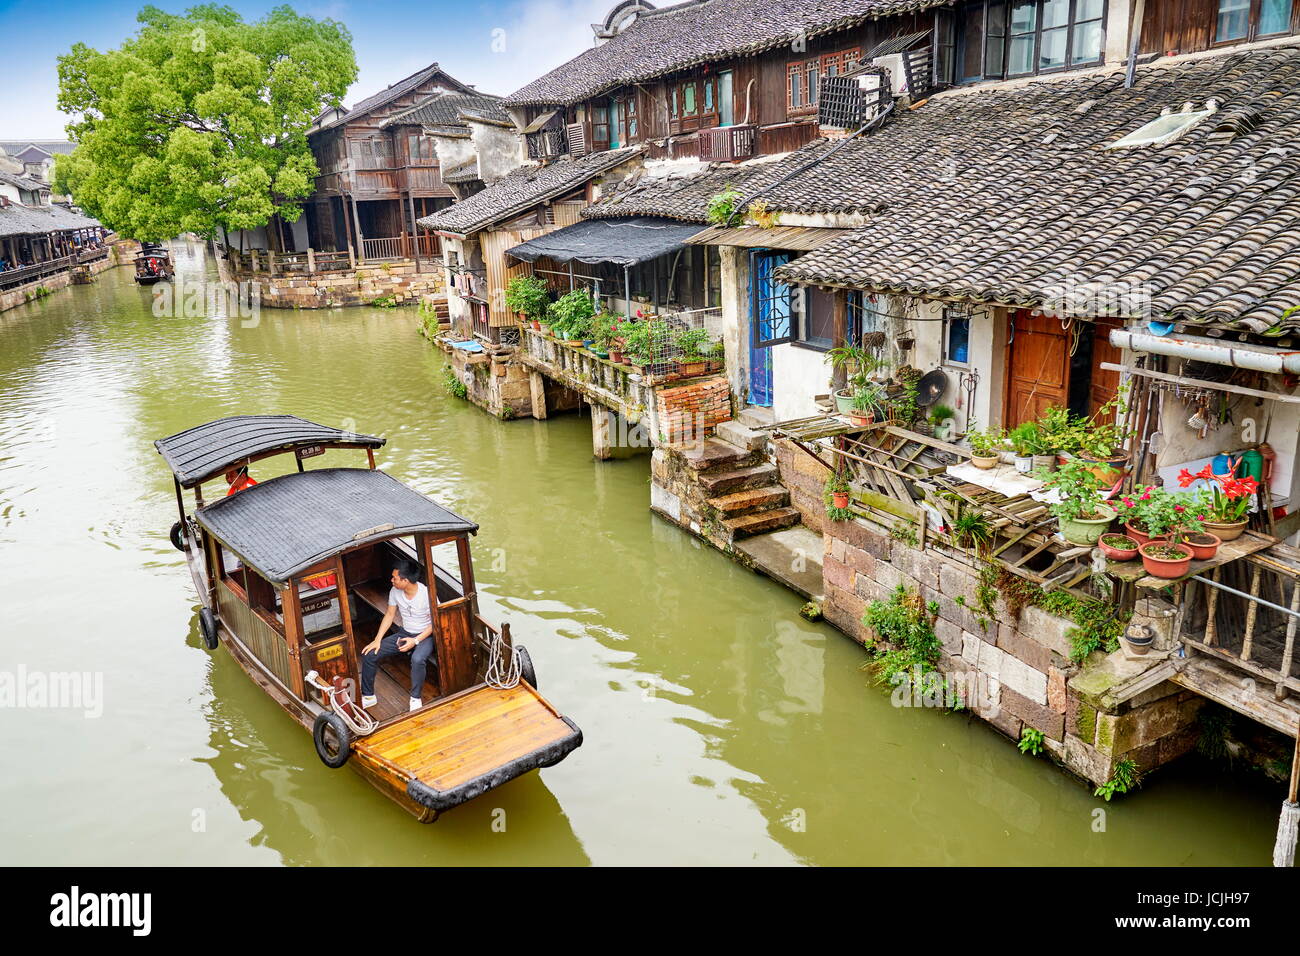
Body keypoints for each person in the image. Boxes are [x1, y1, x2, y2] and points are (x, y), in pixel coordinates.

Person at [360, 559, 434, 712]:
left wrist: (415, 641)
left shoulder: (426, 594)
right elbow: (389, 614)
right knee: (369, 654)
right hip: (404, 632)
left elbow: (435, 623)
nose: (391, 580)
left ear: (405, 580)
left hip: (425, 636)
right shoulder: (395, 591)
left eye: (395, 578)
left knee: (417, 659)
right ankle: (368, 696)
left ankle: (415, 698)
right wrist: (377, 640)